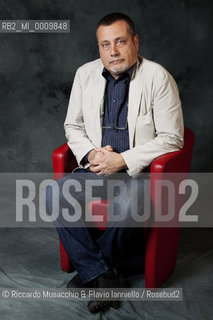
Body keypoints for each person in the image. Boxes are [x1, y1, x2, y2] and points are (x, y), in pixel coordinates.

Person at [46, 12, 184, 314]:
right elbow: (73, 127)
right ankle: (103, 274)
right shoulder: (85, 74)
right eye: (105, 44)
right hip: (95, 171)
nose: (113, 51)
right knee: (54, 192)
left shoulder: (157, 77)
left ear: (135, 42)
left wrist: (122, 159)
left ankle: (92, 272)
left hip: (138, 176)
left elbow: (173, 138)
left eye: (120, 42)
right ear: (99, 47)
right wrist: (93, 155)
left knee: (129, 203)